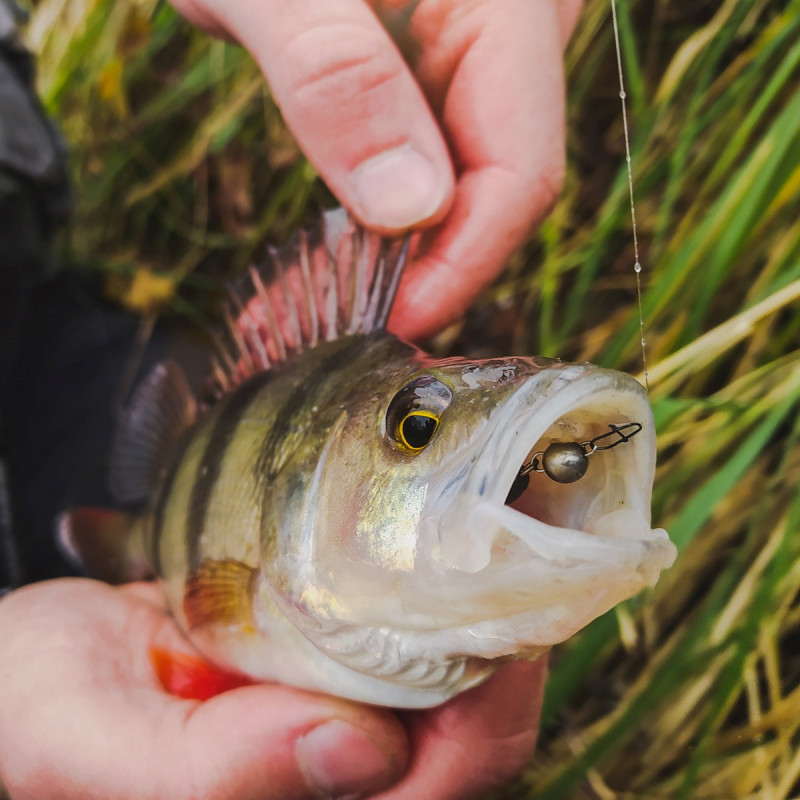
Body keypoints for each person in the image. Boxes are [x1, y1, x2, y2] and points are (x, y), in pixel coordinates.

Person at [0, 1, 581, 797]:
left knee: (127, 378)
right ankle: (118, 545)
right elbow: (216, 597)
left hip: (20, 266)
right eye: (415, 430)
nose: (422, 433)